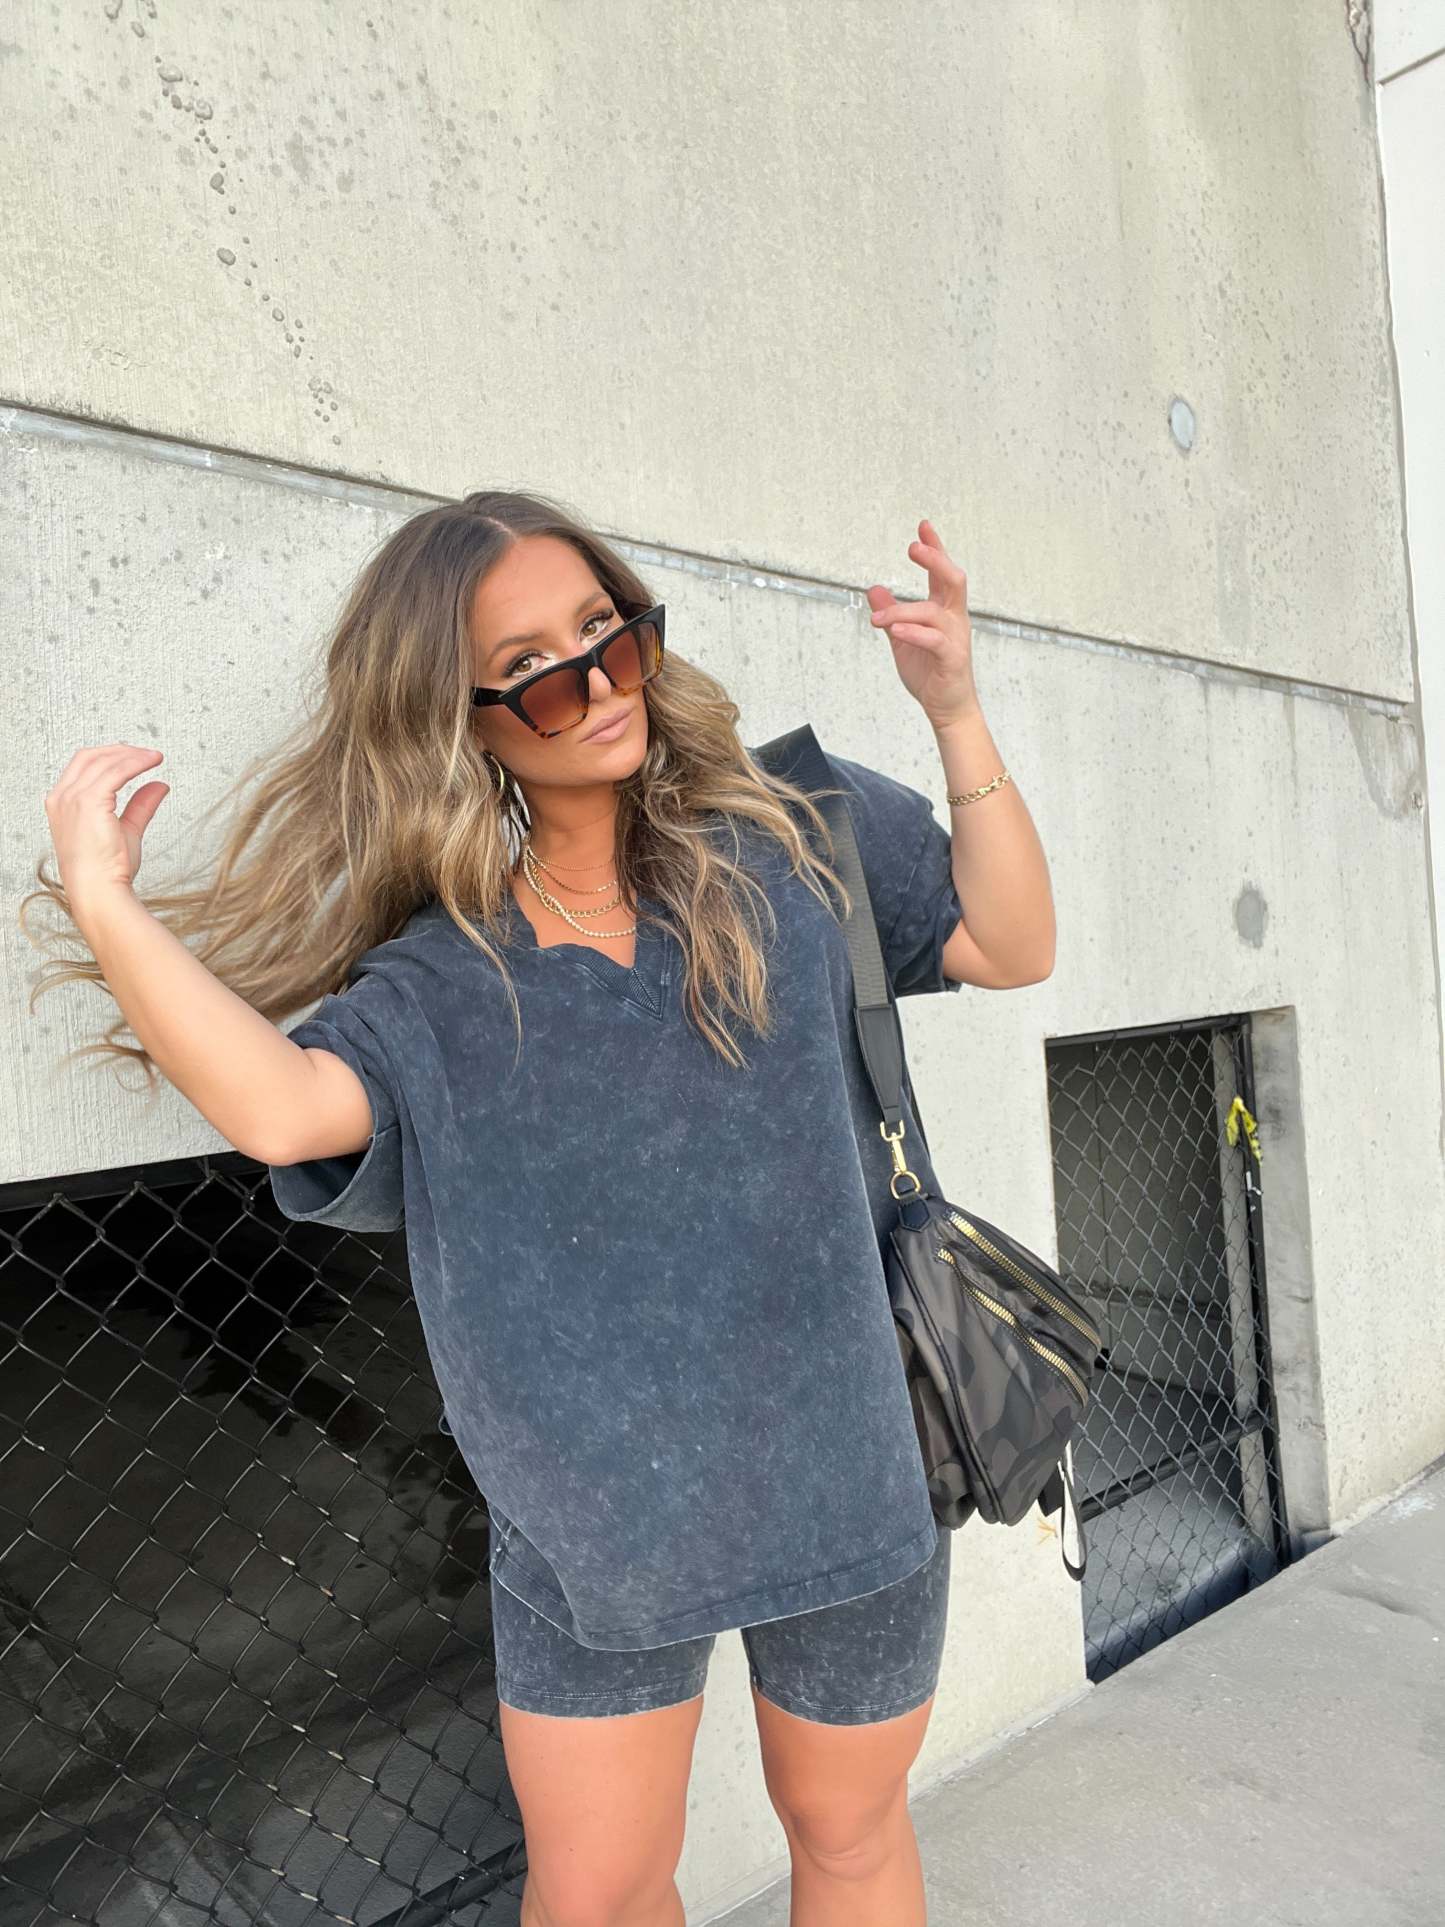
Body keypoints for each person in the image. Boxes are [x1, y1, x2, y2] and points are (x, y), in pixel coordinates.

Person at [32, 491, 1055, 1927]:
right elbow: (282, 1111)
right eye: (534, 671)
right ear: (457, 722)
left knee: (849, 1834)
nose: (596, 687)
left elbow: (1010, 942)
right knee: (598, 1895)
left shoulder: (792, 836)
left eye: (606, 634)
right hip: (593, 1522)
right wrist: (107, 903)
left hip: (846, 1460)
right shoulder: (450, 978)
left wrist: (953, 710)